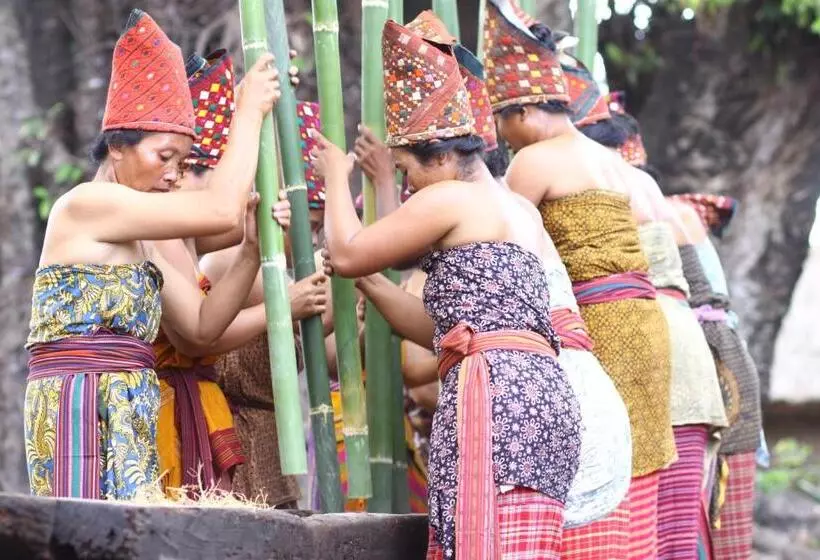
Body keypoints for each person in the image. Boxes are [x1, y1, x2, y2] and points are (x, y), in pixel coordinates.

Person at [313, 17, 581, 558]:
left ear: (440, 156)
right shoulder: (518, 209)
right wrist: (372, 283)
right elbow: (439, 329)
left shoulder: (450, 199)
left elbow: (344, 252)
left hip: (495, 398)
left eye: (408, 170)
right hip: (545, 397)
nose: (408, 185)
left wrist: (336, 180)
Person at [23, 9, 280, 500]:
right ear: (117, 148)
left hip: (132, 404)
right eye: (164, 157)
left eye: (182, 163)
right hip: (84, 402)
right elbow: (220, 211)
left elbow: (202, 330)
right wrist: (247, 113)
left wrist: (251, 246)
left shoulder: (138, 235)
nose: (173, 174)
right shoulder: (86, 204)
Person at [483, 1, 675, 556]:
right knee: (633, 471)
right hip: (647, 325)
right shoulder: (616, 165)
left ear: (522, 111)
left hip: (598, 329)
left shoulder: (534, 162)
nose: (499, 134)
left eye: (500, 118)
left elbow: (507, 249)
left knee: (592, 467)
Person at [669, 194, 763, 560]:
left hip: (713, 361)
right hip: (724, 357)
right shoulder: (682, 213)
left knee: (713, 505)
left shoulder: (667, 211)